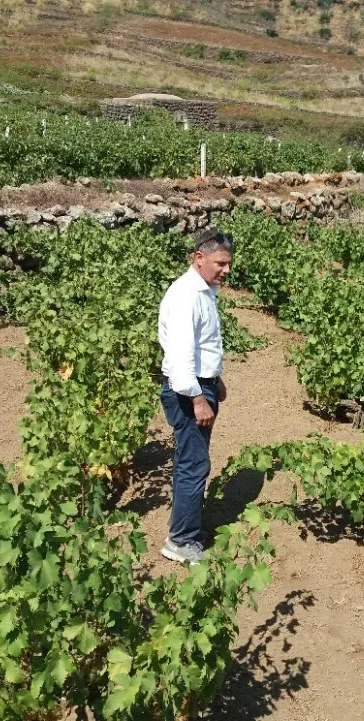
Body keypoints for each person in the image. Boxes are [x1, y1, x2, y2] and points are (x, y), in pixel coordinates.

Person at [157, 228, 233, 564]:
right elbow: (179, 357)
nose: (226, 270)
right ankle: (180, 541)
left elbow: (202, 346)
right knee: (193, 465)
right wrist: (198, 399)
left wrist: (215, 380)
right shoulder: (185, 295)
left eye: (229, 263)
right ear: (199, 258)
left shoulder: (205, 290)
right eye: (220, 263)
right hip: (188, 392)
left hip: (202, 385)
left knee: (194, 462)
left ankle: (186, 529)